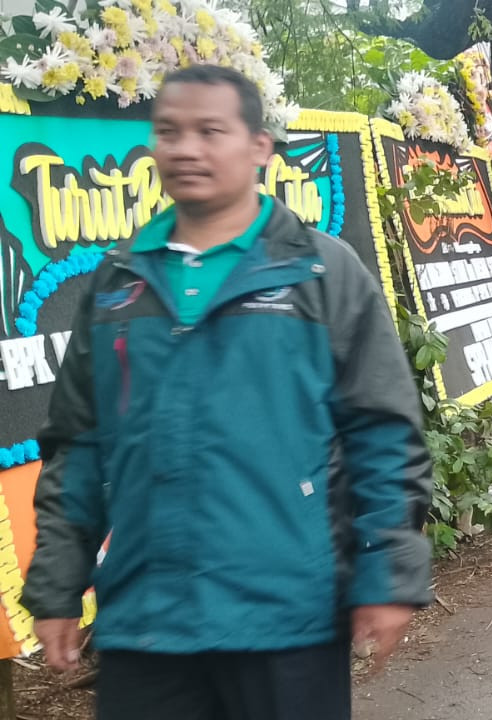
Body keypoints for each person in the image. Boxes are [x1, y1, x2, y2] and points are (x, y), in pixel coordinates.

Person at [21, 65, 432, 720]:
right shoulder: (119, 282)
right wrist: (57, 585)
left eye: (210, 131)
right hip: (146, 621)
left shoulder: (321, 274)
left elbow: (383, 435)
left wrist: (387, 574)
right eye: (169, 132)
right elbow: (78, 445)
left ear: (259, 147)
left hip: (287, 620)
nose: (186, 149)